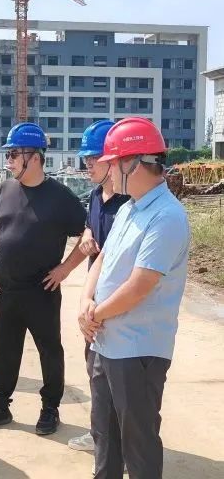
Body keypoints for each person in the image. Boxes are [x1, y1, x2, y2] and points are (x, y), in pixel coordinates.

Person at [79, 117, 190, 479]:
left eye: (111, 162)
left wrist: (96, 314)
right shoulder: (129, 208)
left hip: (138, 350)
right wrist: (85, 301)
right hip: (106, 342)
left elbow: (141, 284)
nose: (107, 170)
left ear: (133, 163)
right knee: (105, 437)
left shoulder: (167, 216)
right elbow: (103, 259)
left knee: (138, 445)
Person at [0, 122, 87, 435]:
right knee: (4, 352)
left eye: (13, 154)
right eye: (8, 154)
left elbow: (90, 234)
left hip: (41, 291)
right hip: (6, 290)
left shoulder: (60, 197)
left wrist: (65, 268)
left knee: (49, 351)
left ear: (34, 156)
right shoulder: (4, 190)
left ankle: (50, 409)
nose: (8, 160)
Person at [67, 120, 131, 453]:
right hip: (93, 302)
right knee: (96, 373)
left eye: (94, 158)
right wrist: (88, 237)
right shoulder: (95, 196)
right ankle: (100, 437)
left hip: (119, 303)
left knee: (120, 381)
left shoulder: (130, 202)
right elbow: (89, 228)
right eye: (86, 159)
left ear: (114, 159)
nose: (88, 164)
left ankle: (120, 447)